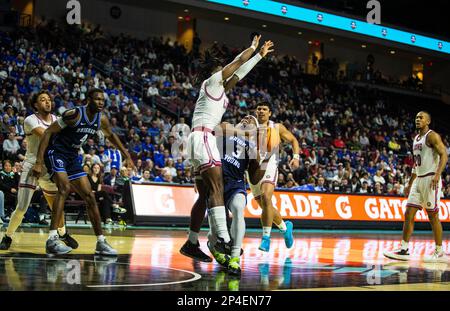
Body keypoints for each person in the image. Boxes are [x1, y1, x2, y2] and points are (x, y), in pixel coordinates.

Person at [180, 34, 274, 264]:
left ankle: (192, 242)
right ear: (215, 71)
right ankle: (222, 237)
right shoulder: (212, 82)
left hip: (198, 138)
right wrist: (251, 48)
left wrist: (259, 57)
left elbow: (239, 74)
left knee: (204, 194)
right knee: (217, 185)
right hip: (203, 136)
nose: (228, 74)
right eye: (224, 70)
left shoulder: (220, 91)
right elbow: (237, 64)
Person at [32, 88, 134, 255]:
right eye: (97, 99)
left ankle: (101, 242)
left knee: (90, 196)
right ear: (88, 100)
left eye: (103, 100)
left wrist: (127, 155)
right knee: (64, 188)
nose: (100, 102)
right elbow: (48, 132)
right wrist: (38, 162)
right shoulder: (74, 115)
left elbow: (111, 136)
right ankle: (51, 240)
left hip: (72, 157)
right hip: (56, 152)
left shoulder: (101, 120)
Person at [0, 91, 78, 251]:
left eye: (49, 99)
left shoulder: (57, 119)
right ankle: (7, 236)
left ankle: (63, 233)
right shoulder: (30, 120)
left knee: (56, 206)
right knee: (21, 207)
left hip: (48, 166)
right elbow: (47, 136)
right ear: (36, 104)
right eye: (43, 100)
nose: (47, 102)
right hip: (32, 165)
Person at [383, 111, 448, 263]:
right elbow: (415, 164)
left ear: (428, 121)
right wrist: (409, 183)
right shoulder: (416, 139)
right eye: (417, 117)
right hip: (418, 179)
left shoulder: (432, 136)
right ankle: (404, 249)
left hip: (431, 178)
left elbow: (444, 155)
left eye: (421, 117)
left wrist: (438, 174)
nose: (418, 119)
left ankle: (439, 251)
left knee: (433, 216)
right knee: (408, 213)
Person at [250, 101, 298, 252]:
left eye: (264, 109)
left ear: (270, 113)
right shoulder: (249, 126)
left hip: (269, 164)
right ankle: (285, 228)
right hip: (252, 169)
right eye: (259, 109)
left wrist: (295, 156)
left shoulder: (277, 127)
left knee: (266, 197)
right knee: (266, 205)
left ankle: (266, 238)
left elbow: (293, 140)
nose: (261, 111)